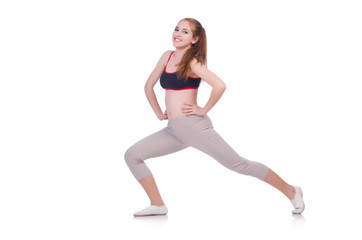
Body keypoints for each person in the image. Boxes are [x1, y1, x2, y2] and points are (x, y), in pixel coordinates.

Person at [124, 18, 305, 217]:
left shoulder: (192, 61)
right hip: (174, 130)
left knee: (239, 164)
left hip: (194, 127)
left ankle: (291, 191)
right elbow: (147, 86)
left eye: (185, 32)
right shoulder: (167, 56)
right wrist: (158, 112)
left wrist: (202, 110)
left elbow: (219, 85)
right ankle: (157, 204)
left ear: (194, 39)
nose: (178, 33)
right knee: (132, 155)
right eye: (177, 29)